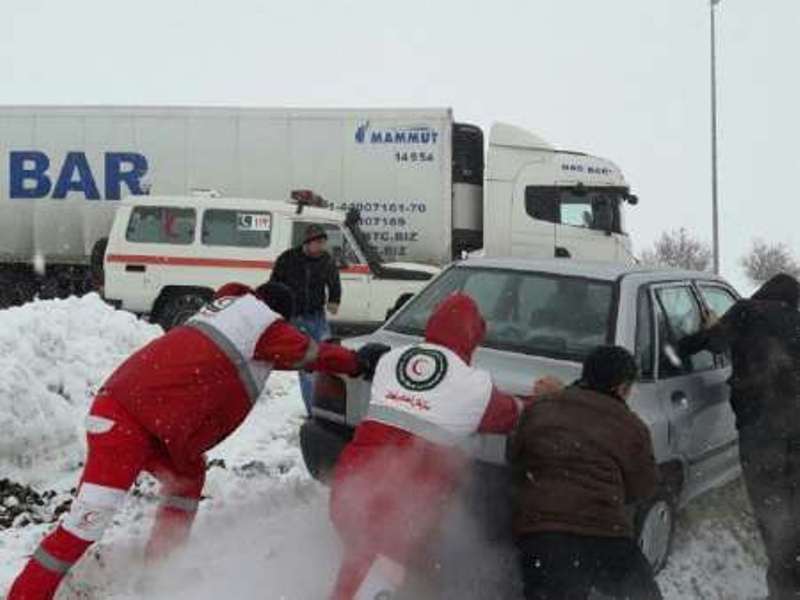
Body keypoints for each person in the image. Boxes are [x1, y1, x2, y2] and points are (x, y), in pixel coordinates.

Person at [7, 282, 386, 600]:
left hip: (148, 424)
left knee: (188, 478)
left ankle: (160, 571)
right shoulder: (264, 328)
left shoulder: (232, 314)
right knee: (84, 524)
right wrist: (358, 362)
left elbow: (283, 355)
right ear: (278, 315)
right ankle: (26, 595)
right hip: (125, 425)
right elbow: (311, 352)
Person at [328, 293, 539, 600]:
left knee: (368, 563)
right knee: (373, 578)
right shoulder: (473, 385)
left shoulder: (392, 360)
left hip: (351, 483)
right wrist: (545, 397)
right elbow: (512, 415)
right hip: (399, 502)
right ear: (473, 337)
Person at [679, 273, 800, 600]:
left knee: (771, 509)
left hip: (762, 433)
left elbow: (712, 343)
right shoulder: (796, 320)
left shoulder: (747, 311)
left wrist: (683, 343)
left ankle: (783, 589)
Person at [510, 345, 662, 600]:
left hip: (542, 536)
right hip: (607, 537)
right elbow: (644, 487)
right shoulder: (632, 426)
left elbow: (516, 458)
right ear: (622, 388)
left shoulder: (540, 409)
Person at [270, 223, 342, 416]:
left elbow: (334, 282)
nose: (321, 246)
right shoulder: (287, 259)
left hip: (317, 316)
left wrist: (334, 300)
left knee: (327, 357)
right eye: (318, 242)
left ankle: (327, 404)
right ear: (307, 243)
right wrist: (277, 310)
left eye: (323, 242)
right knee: (308, 364)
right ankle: (313, 411)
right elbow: (274, 285)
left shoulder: (326, 260)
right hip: (296, 318)